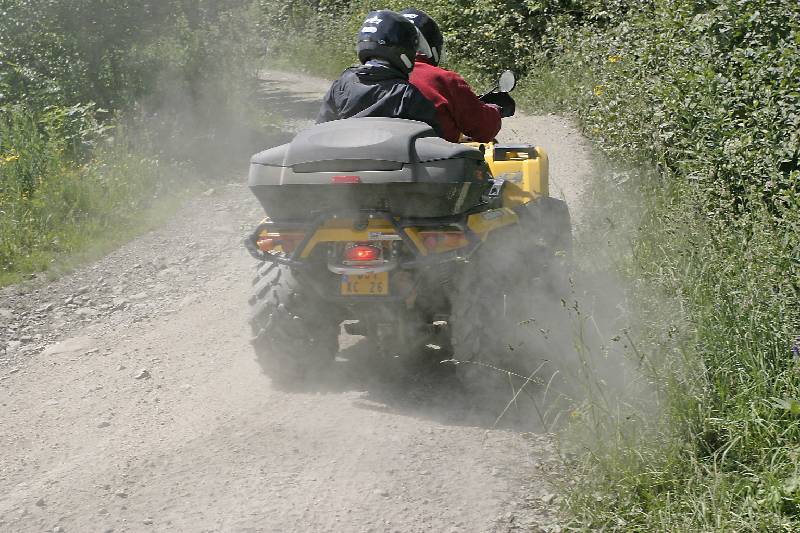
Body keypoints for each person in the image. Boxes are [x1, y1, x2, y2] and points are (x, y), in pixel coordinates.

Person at [316, 10, 442, 135]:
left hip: (344, 154)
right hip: (391, 155)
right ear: (403, 47)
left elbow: (320, 131)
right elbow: (435, 140)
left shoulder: (341, 85)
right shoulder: (408, 95)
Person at [400, 8, 512, 143]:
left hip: (379, 159)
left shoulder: (373, 78)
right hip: (437, 160)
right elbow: (484, 129)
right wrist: (495, 110)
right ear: (429, 45)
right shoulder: (443, 79)